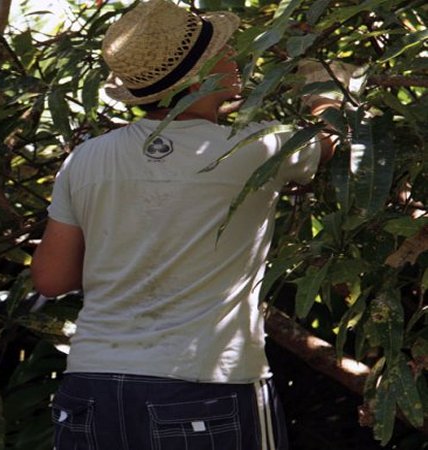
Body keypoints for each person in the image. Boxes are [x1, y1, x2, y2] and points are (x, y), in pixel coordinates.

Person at [30, 1, 345, 449]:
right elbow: (331, 134)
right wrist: (322, 87)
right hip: (205, 386)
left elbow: (51, 278)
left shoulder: (87, 159)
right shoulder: (254, 149)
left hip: (93, 387)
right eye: (222, 51)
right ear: (197, 78)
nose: (234, 55)